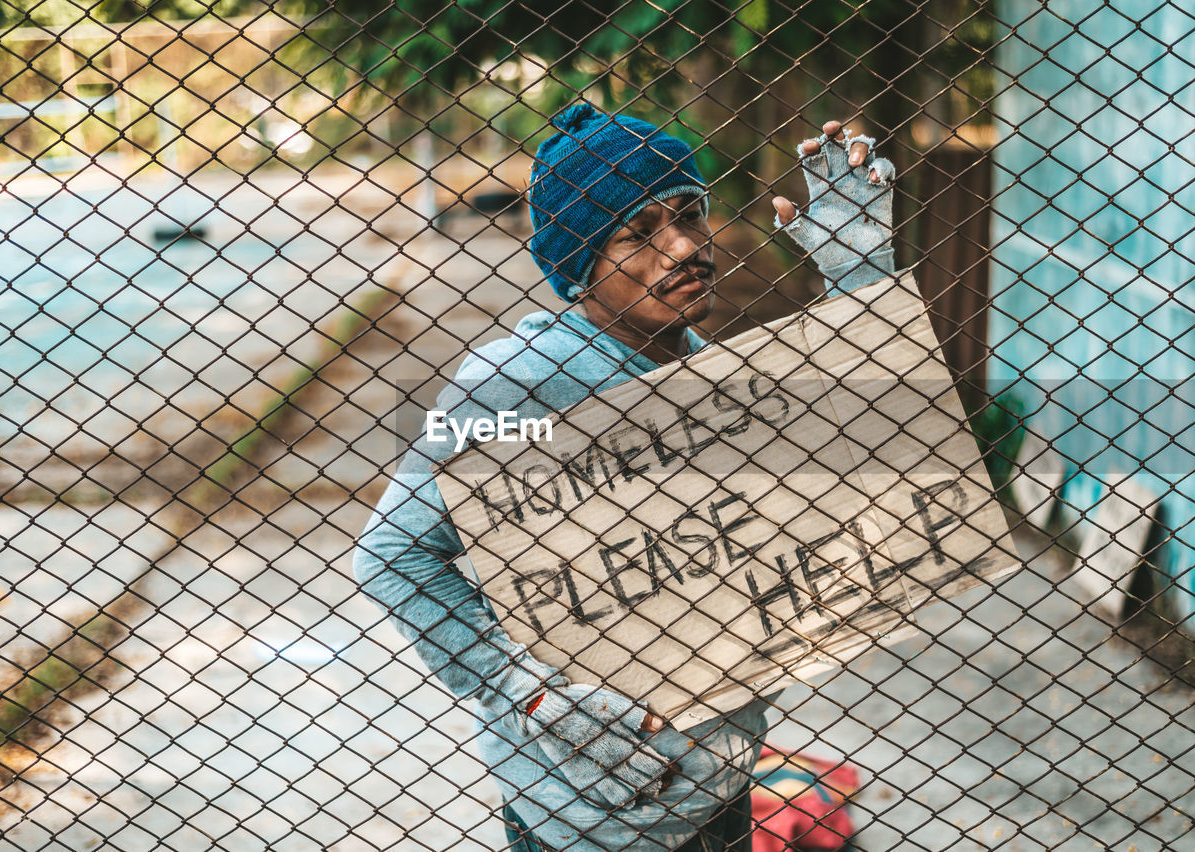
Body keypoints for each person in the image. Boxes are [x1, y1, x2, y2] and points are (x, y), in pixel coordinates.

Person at [353, 103, 897, 851]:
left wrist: (860, 285)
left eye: (691, 216)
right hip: (587, 813)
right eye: (639, 233)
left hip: (721, 781)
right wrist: (530, 692)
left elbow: (859, 458)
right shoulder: (523, 381)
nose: (682, 246)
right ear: (581, 264)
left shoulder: (706, 368)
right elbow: (396, 552)